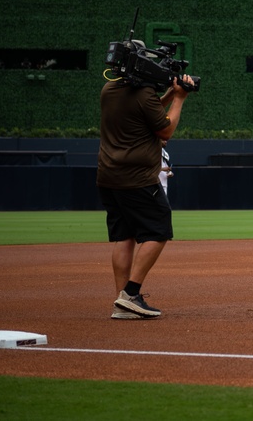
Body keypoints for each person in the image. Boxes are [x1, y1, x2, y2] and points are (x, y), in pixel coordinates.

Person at [97, 73, 195, 320]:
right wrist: (179, 99)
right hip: (136, 177)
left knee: (125, 235)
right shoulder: (142, 93)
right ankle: (131, 294)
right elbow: (165, 131)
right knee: (159, 228)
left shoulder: (109, 88)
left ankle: (122, 301)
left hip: (109, 175)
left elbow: (144, 110)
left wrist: (167, 95)